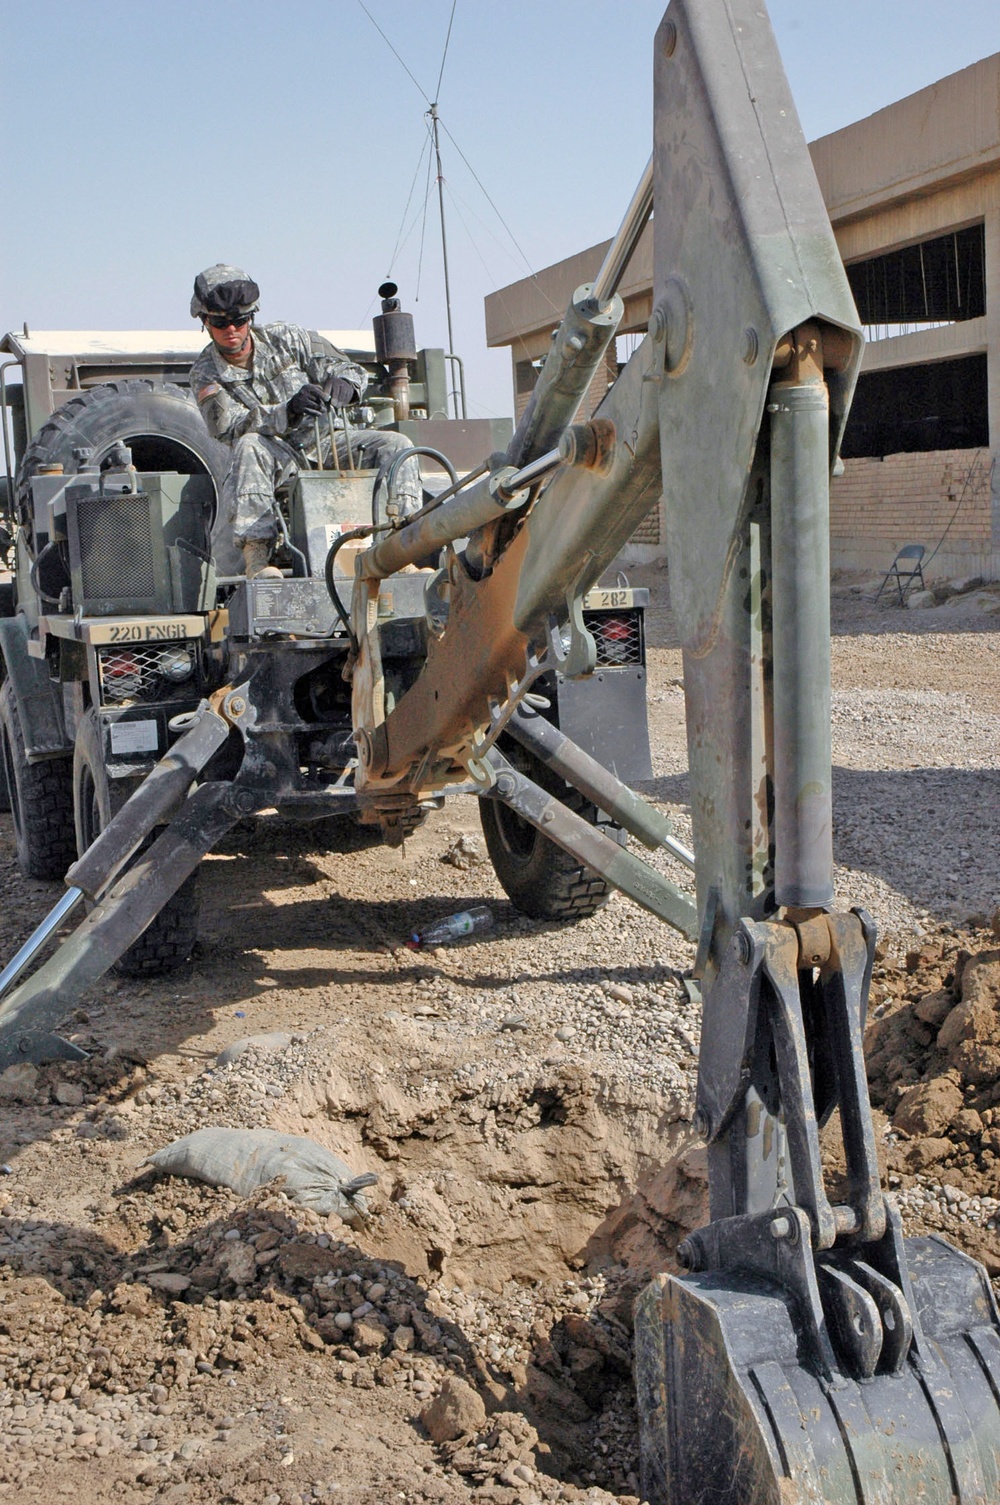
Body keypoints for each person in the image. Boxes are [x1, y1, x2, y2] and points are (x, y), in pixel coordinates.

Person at [188, 263, 422, 578]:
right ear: (204, 321)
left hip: (328, 443)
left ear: (251, 317)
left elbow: (348, 369)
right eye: (219, 323)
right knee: (247, 446)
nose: (231, 330)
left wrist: (345, 385)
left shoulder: (288, 337)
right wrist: (288, 411)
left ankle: (400, 550)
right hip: (276, 455)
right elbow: (229, 428)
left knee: (398, 446)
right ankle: (257, 561)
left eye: (239, 320)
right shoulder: (205, 373)